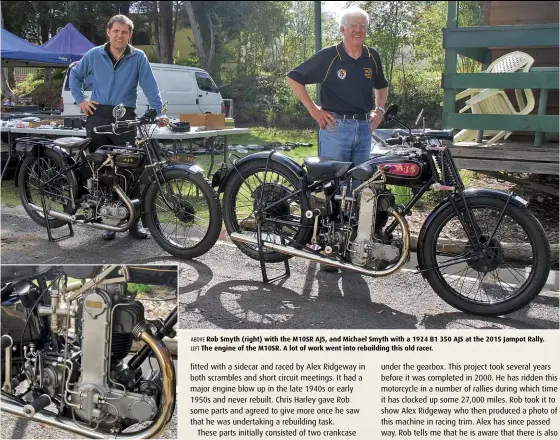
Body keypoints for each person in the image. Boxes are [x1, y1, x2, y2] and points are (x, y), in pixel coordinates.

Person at [287, 6, 389, 271]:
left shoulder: (372, 56)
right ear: (342, 29)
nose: (357, 31)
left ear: (366, 30)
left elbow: (382, 85)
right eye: (352, 26)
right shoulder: (330, 56)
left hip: (363, 129)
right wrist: (313, 109)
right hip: (335, 128)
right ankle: (327, 250)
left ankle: (354, 246)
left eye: (362, 27)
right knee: (330, 189)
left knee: (360, 190)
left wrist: (379, 109)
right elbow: (294, 77)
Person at [70, 14, 168, 241]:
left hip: (125, 117)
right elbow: (75, 76)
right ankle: (109, 222)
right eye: (116, 31)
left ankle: (135, 223)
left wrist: (159, 112)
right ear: (108, 32)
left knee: (130, 170)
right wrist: (81, 100)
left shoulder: (138, 57)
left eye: (124, 32)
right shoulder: (94, 55)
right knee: (101, 170)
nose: (119, 35)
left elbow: (150, 87)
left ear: (130, 35)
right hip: (98, 115)